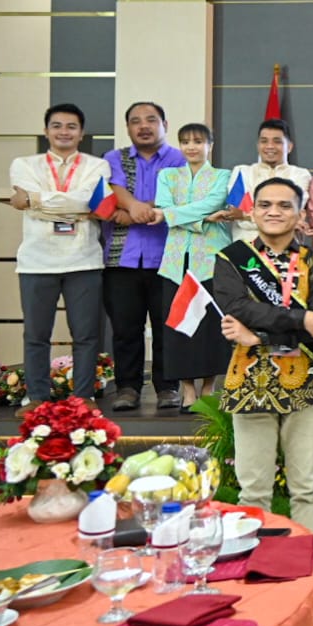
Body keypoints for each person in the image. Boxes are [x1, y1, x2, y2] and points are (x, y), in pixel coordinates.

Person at [212, 177, 313, 535]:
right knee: (253, 490)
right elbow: (238, 307)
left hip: (305, 382)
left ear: (300, 215)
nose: (274, 212)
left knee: (307, 487)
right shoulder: (232, 259)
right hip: (250, 383)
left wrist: (259, 335)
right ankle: (254, 559)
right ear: (252, 212)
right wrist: (298, 320)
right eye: (265, 205)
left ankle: (306, 560)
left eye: (285, 205)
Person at [8, 104, 110, 411]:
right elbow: (80, 204)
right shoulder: (24, 165)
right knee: (36, 335)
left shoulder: (97, 166)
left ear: (81, 133)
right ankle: (36, 397)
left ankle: (84, 397)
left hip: (84, 260)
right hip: (36, 262)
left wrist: (35, 200)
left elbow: (90, 201)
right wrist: (76, 206)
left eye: (71, 126)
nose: (64, 132)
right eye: (57, 126)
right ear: (46, 131)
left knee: (86, 335)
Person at [102, 101, 188, 412]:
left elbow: (181, 198)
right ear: (128, 128)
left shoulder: (179, 159)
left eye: (151, 119)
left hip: (168, 257)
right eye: (136, 121)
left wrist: (136, 209)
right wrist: (131, 206)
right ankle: (127, 388)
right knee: (125, 329)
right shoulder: (114, 158)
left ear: (165, 124)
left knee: (168, 328)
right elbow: (111, 193)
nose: (144, 126)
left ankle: (168, 387)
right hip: (121, 258)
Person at [153, 123, 232, 411]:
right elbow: (163, 208)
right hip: (176, 262)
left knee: (210, 327)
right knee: (179, 327)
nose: (191, 147)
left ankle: (209, 387)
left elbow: (213, 202)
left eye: (198, 141)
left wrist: (176, 215)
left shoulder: (223, 176)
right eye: (185, 141)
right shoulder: (167, 175)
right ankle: (187, 390)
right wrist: (204, 219)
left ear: (210, 145)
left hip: (210, 261)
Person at [227, 118, 313, 245]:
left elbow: (291, 215)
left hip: (287, 249)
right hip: (245, 247)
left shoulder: (300, 175)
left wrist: (247, 215)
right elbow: (237, 215)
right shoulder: (242, 172)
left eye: (277, 141)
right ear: (258, 145)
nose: (270, 146)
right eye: (264, 141)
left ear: (289, 147)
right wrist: (279, 219)